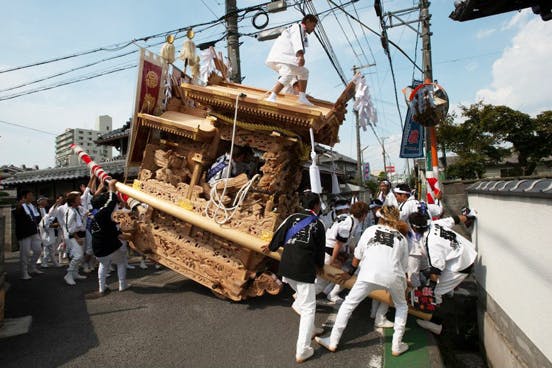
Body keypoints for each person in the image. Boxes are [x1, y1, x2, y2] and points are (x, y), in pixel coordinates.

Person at [316, 205, 410, 357]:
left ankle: (332, 341)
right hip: (394, 275)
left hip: (368, 273)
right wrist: (405, 284)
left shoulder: (371, 230)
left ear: (380, 217)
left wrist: (350, 273)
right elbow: (404, 266)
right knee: (402, 307)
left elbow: (358, 255)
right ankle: (396, 345)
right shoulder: (401, 238)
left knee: (348, 305)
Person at [263, 191, 326, 363]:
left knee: (303, 302)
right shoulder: (318, 224)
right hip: (303, 269)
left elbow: (278, 237)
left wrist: (270, 248)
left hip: (286, 268)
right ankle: (303, 350)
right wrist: (320, 267)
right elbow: (320, 252)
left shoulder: (292, 218)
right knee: (308, 309)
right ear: (316, 206)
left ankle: (310, 327)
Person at [407, 211, 477, 335]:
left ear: (414, 227)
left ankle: (436, 324)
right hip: (468, 253)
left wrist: (430, 288)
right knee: (434, 282)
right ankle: (447, 292)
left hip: (460, 265)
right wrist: (468, 217)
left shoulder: (431, 242)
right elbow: (454, 219)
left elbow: (436, 269)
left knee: (435, 292)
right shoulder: (435, 224)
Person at [318, 201, 369, 303]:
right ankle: (300, 298)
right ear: (363, 214)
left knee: (336, 274)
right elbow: (338, 243)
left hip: (328, 248)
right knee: (323, 280)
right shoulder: (350, 223)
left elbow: (346, 243)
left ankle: (330, 293)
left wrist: (351, 254)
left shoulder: (347, 217)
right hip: (330, 251)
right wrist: (332, 261)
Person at [265, 14, 318, 106]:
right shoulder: (297, 27)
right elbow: (296, 40)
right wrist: (300, 56)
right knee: (288, 74)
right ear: (308, 21)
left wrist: (299, 56)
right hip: (282, 56)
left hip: (287, 58)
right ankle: (272, 96)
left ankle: (302, 97)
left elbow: (299, 43)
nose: (313, 29)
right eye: (313, 25)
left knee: (304, 72)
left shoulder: (303, 33)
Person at [90, 179, 130, 295]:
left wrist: (102, 187)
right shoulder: (103, 214)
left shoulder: (94, 212)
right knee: (121, 262)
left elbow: (95, 200)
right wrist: (112, 188)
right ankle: (122, 285)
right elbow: (111, 202)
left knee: (103, 265)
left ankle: (102, 287)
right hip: (109, 247)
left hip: (98, 248)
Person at [14, 190, 44, 279]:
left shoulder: (32, 206)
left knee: (38, 249)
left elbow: (38, 218)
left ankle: (32, 267)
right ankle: (24, 273)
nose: (32, 197)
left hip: (34, 231)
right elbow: (16, 214)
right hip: (24, 233)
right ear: (25, 196)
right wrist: (19, 205)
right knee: (25, 253)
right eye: (30, 195)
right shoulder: (20, 206)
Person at [63, 191, 87, 286]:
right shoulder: (70, 211)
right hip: (73, 236)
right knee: (78, 256)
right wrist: (77, 238)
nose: (80, 199)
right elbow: (70, 228)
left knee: (78, 256)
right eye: (78, 199)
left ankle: (75, 274)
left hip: (79, 235)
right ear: (73, 202)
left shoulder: (77, 209)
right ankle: (68, 275)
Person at [37, 196, 60, 268]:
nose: (47, 202)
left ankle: (48, 262)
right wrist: (55, 225)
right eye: (45, 201)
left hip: (48, 231)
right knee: (46, 247)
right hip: (42, 229)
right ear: (40, 201)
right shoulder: (36, 209)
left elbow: (52, 213)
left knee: (49, 247)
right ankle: (44, 261)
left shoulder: (47, 209)